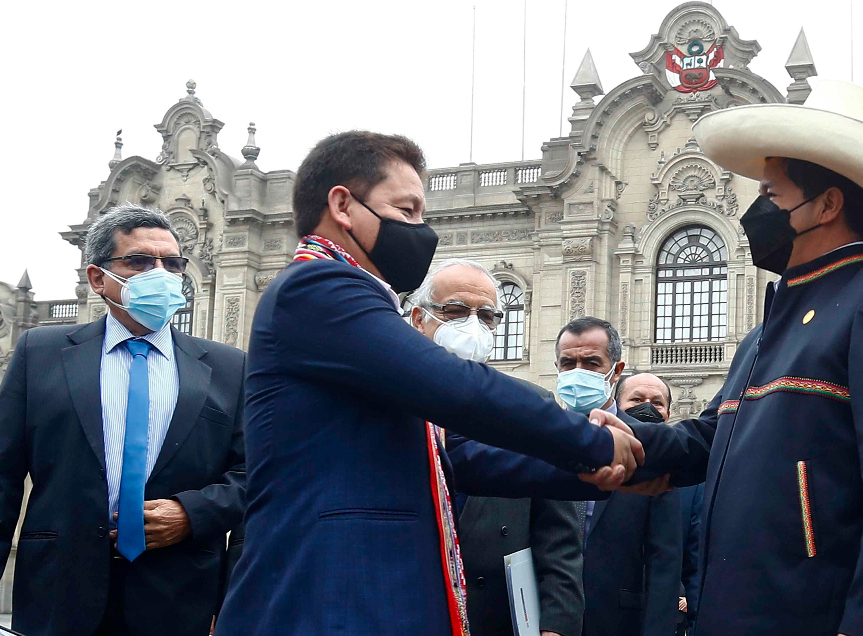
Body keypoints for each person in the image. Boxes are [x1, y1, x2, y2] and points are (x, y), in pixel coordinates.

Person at [214, 131, 641, 636]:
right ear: (343, 205)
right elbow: (457, 388)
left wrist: (592, 470)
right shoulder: (319, 286)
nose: (422, 229)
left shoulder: (352, 297)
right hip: (330, 596)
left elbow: (452, 451)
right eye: (408, 209)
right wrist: (590, 440)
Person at [617, 80, 863, 635]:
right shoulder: (764, 332)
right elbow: (710, 440)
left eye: (771, 196)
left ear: (826, 204)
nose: (758, 212)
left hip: (811, 616)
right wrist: (624, 439)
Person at [0, 204, 247, 636]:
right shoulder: (39, 353)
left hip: (180, 599)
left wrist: (192, 514)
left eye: (172, 264)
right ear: (98, 278)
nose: (162, 274)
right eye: (139, 262)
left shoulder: (230, 367)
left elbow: (257, 475)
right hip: (57, 597)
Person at [408, 258, 585, 636]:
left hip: (499, 617)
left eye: (487, 316)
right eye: (455, 311)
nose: (473, 325)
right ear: (418, 320)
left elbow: (560, 538)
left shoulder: (532, 405)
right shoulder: (389, 404)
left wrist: (557, 625)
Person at [556, 319, 681, 636]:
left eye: (591, 363)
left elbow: (663, 559)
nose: (578, 372)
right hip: (546, 620)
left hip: (619, 620)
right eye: (568, 363)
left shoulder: (649, 444)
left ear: (616, 369)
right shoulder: (542, 436)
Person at [615, 373, 702, 636]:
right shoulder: (601, 466)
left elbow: (694, 560)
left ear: (667, 412)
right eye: (637, 400)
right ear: (617, 405)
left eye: (657, 402)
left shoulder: (692, 481)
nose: (647, 407)